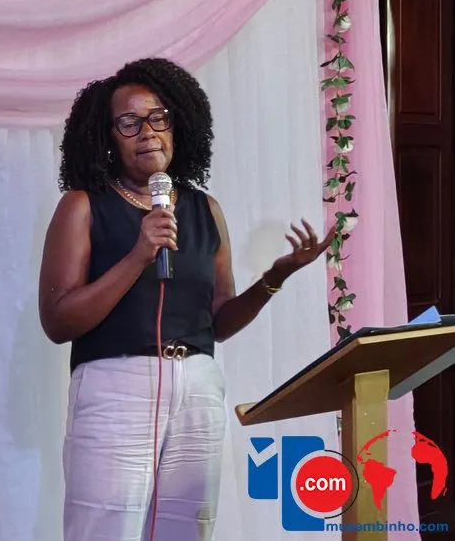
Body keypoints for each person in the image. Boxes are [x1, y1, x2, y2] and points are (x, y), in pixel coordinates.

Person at [38, 58, 333, 541]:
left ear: (177, 125)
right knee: (104, 530)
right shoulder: (84, 205)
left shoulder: (204, 209)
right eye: (129, 122)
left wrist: (274, 279)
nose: (147, 132)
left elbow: (219, 321)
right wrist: (139, 254)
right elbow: (57, 321)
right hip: (115, 387)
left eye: (158, 117)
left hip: (197, 385)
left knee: (188, 531)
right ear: (108, 137)